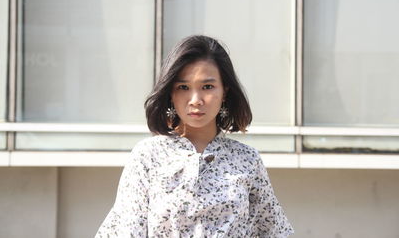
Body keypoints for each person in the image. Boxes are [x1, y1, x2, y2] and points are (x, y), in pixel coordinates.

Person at [95, 35, 294, 237]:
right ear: (170, 93)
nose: (195, 100)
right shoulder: (148, 156)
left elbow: (274, 231)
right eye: (183, 87)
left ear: (224, 91)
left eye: (207, 87)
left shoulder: (247, 160)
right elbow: (127, 231)